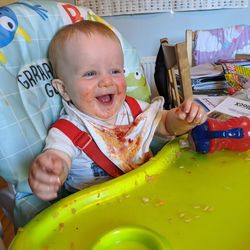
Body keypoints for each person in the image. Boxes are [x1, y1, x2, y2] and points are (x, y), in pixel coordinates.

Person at [28, 20, 207, 201]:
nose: (107, 81)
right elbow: (60, 157)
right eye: (90, 73)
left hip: (149, 194)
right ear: (64, 89)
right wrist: (51, 172)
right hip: (99, 209)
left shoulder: (134, 109)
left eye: (115, 71)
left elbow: (166, 125)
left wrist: (183, 119)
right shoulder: (67, 131)